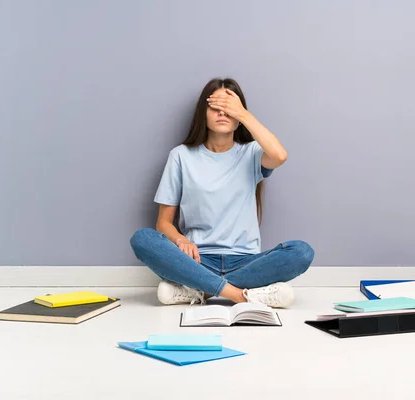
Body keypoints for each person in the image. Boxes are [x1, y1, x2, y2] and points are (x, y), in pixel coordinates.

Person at [130, 78, 314, 308]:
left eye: (229, 108)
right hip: (196, 260)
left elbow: (279, 155)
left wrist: (243, 113)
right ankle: (241, 295)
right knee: (143, 239)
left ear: (239, 116)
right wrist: (180, 240)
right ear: (202, 114)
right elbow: (163, 223)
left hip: (247, 262)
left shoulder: (252, 153)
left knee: (302, 252)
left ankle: (200, 290)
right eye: (215, 107)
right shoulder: (181, 156)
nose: (222, 113)